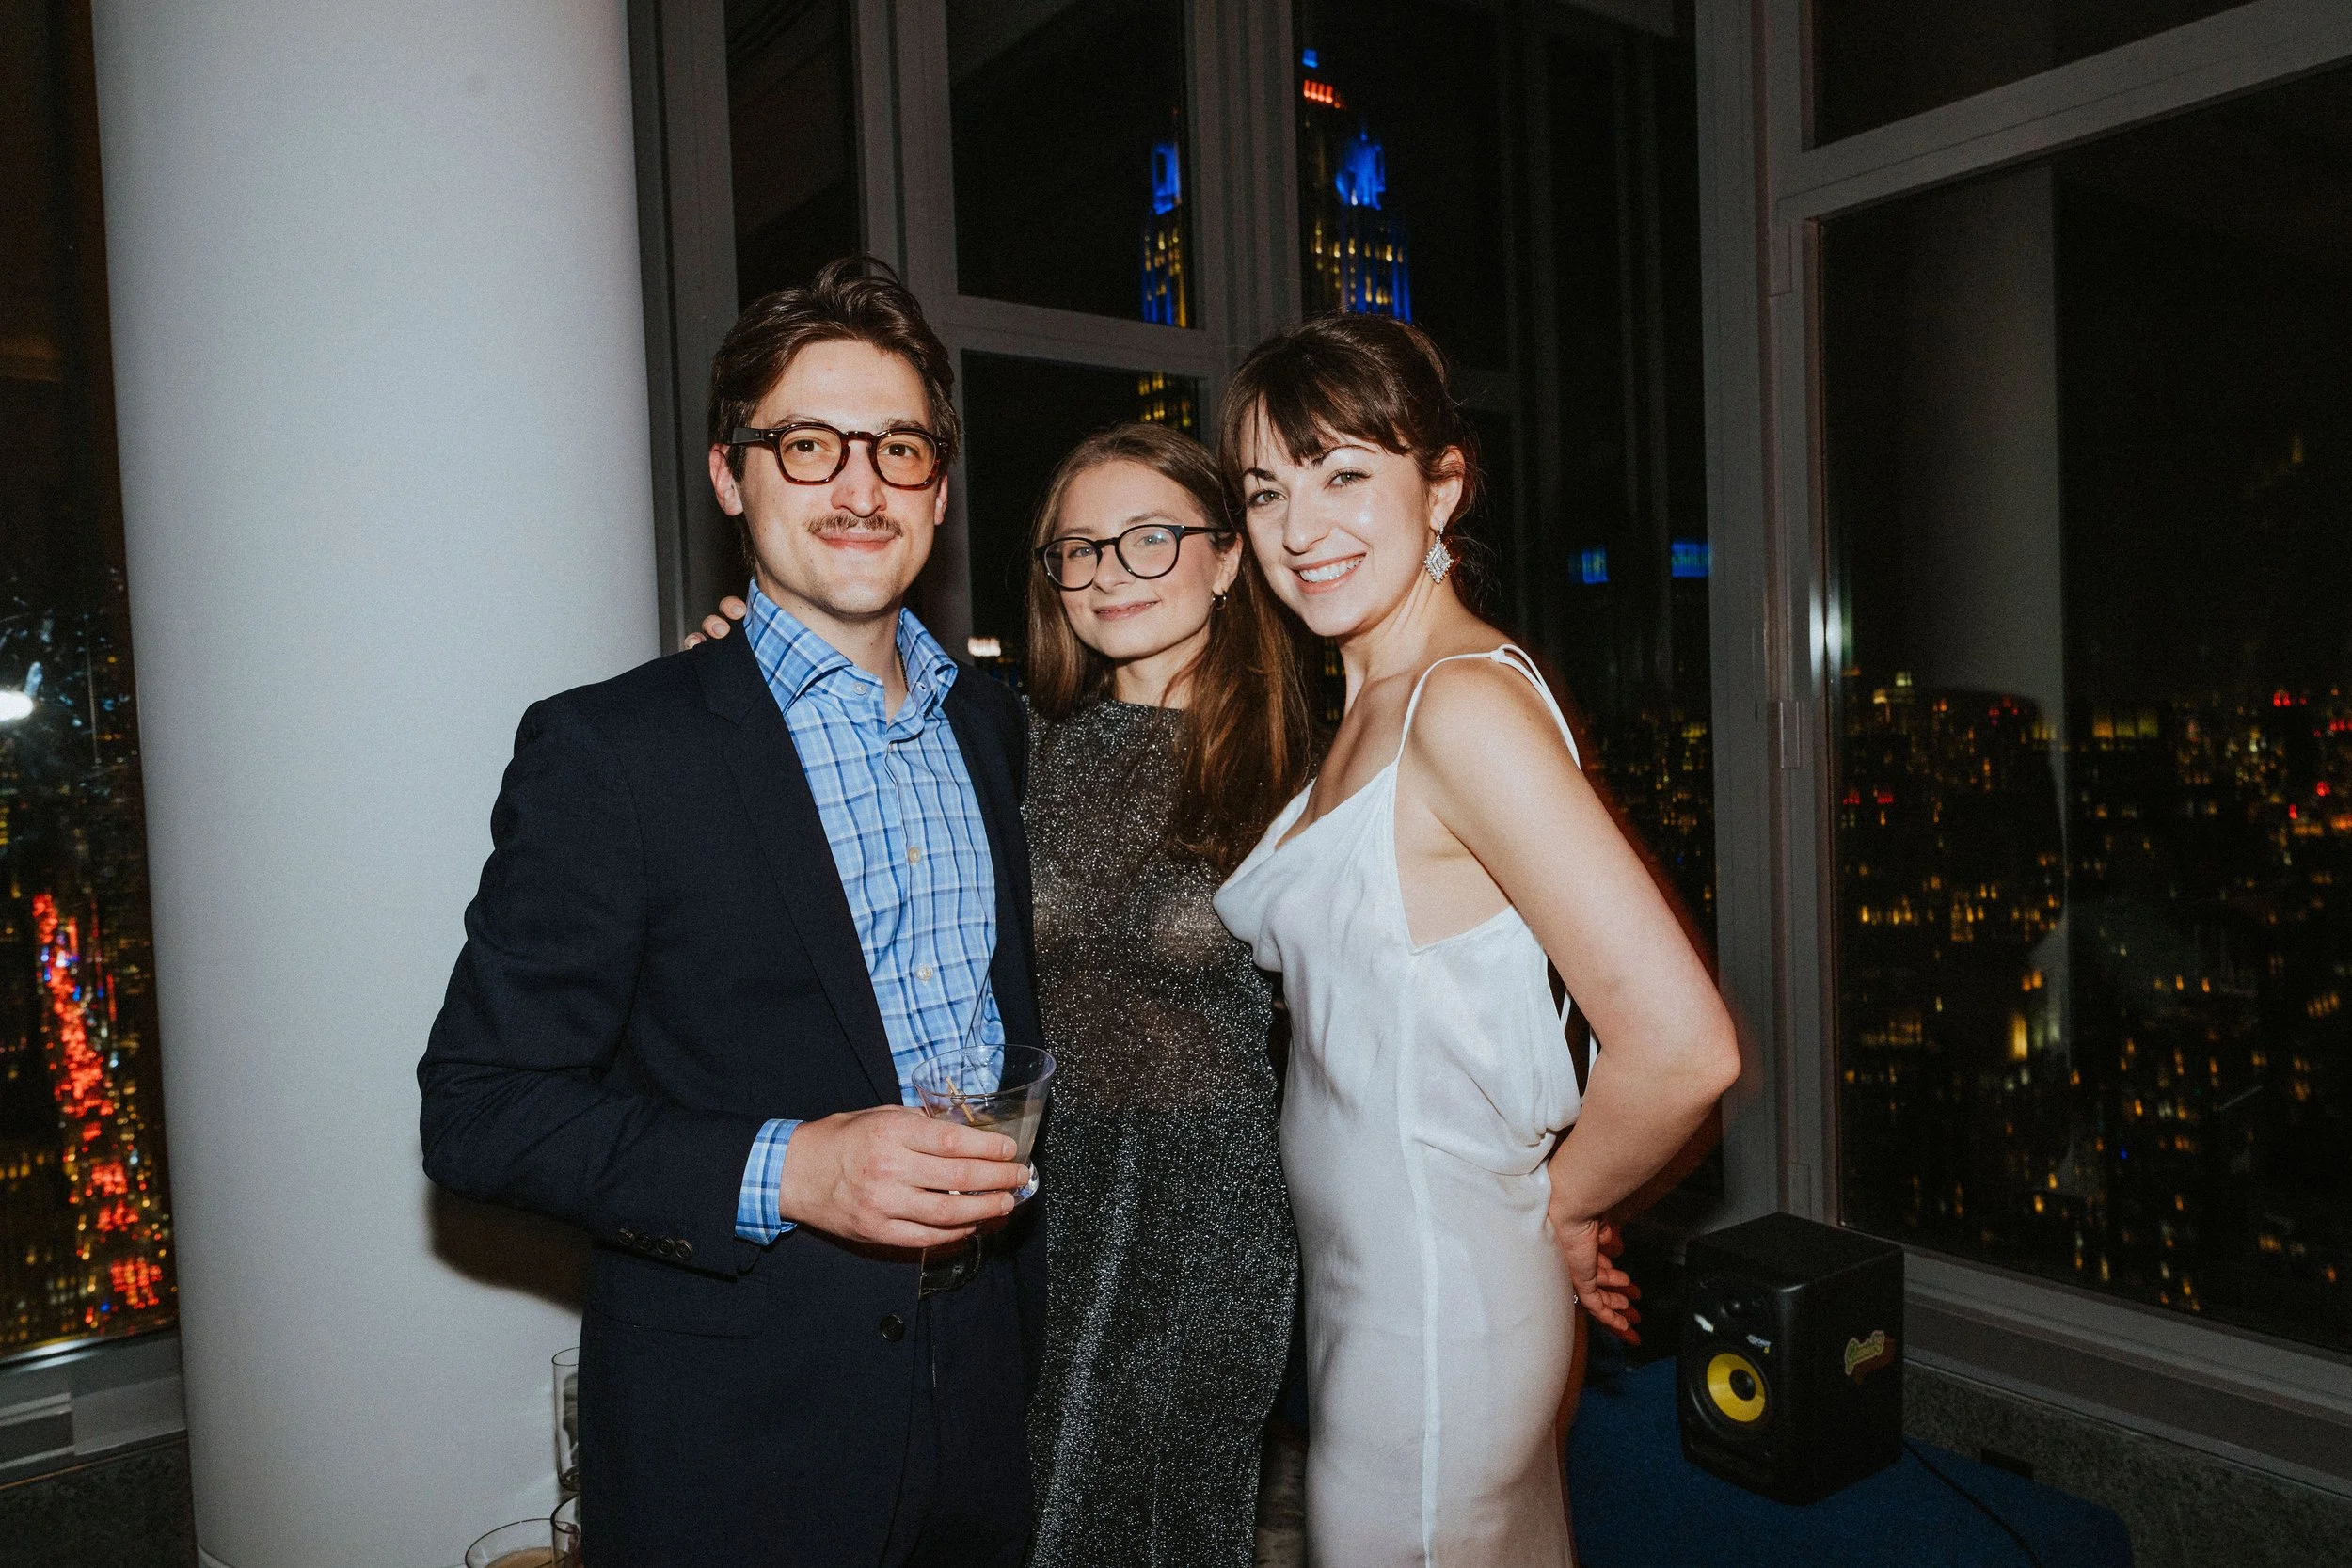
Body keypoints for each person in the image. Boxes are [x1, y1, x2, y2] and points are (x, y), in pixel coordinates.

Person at [418, 257, 1043, 1568]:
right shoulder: (615, 750)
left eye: (900, 446)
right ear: (729, 473)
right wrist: (793, 1167)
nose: (861, 487)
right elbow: (478, 1105)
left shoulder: (996, 728)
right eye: (808, 444)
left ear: (939, 484)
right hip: (743, 1440)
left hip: (987, 1400)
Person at [694, 422, 1309, 1567]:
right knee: (1023, 1514)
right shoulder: (1006, 741)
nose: (1107, 575)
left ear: (1228, 556)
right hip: (1030, 1203)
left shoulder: (1295, 770)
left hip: (1203, 1215)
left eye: (1147, 539)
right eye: (1077, 550)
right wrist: (737, 655)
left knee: (1157, 1521)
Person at [1211, 313, 1742, 1568]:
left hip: (1432, 1323)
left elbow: (1684, 1048)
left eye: (1346, 473)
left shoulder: (1461, 707)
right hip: (1393, 1301)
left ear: (1440, 485)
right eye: (1268, 489)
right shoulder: (1380, 698)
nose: (1301, 526)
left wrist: (1561, 1203)